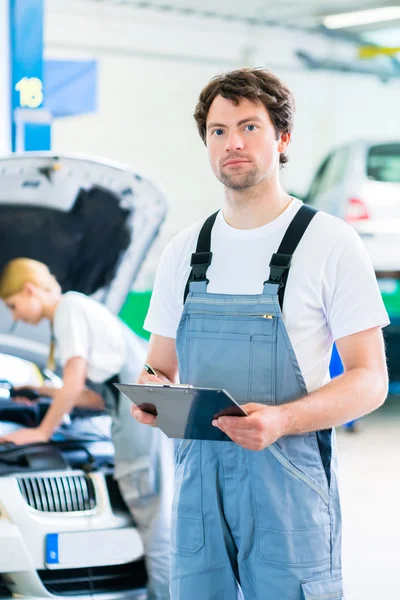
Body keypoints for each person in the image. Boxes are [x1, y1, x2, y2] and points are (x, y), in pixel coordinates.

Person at [131, 68, 389, 599]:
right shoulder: (184, 251)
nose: (233, 143)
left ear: (283, 137)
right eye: (219, 131)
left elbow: (370, 379)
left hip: (287, 484)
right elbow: (159, 365)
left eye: (249, 126)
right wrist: (152, 394)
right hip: (199, 486)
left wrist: (284, 419)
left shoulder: (330, 242)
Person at [0, 258, 173, 600]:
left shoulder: (70, 310)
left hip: (141, 427)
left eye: (13, 305)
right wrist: (41, 391)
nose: (16, 317)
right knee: (160, 531)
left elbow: (74, 379)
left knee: (159, 535)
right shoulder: (80, 307)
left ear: (30, 289)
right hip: (142, 423)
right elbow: (94, 398)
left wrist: (40, 433)